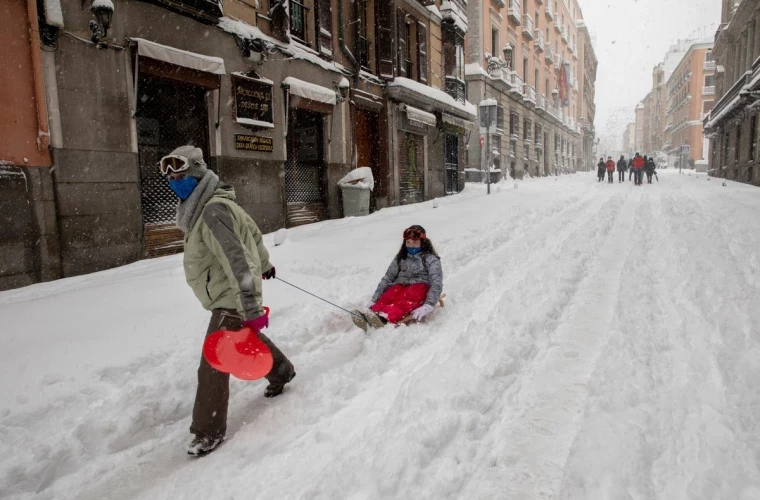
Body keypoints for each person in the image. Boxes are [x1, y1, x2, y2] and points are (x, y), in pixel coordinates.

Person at [160, 146, 296, 456]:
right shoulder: (218, 203)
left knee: (214, 360)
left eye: (182, 176)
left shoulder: (211, 210)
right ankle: (282, 371)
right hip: (230, 293)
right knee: (247, 336)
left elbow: (238, 259)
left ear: (197, 174)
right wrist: (265, 265)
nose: (176, 182)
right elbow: (251, 236)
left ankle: (208, 431)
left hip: (229, 296)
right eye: (172, 177)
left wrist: (250, 305)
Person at [353, 225, 443, 331]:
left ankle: (385, 318)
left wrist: (429, 304)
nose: (411, 246)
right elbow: (388, 277)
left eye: (415, 242)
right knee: (389, 295)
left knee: (403, 301)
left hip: (420, 287)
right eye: (408, 242)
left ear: (422, 242)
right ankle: (372, 314)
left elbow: (436, 282)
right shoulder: (401, 257)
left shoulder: (430, 259)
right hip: (400, 284)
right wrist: (375, 299)